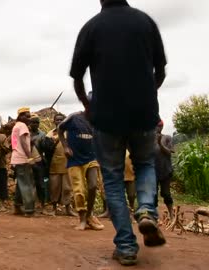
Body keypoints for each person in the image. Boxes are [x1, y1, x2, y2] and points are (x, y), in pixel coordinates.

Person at [70, 0, 167, 265]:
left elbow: (77, 78)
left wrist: (88, 106)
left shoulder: (91, 28)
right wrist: (147, 94)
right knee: (145, 164)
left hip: (106, 116)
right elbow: (160, 71)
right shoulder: (145, 22)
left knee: (112, 180)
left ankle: (126, 247)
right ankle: (146, 210)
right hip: (144, 113)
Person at [58, 111, 105, 231]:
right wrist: (65, 146)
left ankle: (90, 214)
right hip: (74, 159)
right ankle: (83, 218)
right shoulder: (73, 117)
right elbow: (60, 129)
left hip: (92, 157)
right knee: (79, 190)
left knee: (93, 186)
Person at [47, 113, 76, 217]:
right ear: (53, 121)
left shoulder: (70, 133)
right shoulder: (50, 134)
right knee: (54, 187)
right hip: (54, 164)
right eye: (57, 120)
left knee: (67, 187)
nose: (59, 121)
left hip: (68, 163)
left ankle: (68, 208)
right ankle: (54, 208)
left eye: (61, 120)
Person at [11, 107, 36, 217]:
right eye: (27, 115)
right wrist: (29, 156)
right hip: (22, 158)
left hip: (16, 158)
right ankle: (29, 210)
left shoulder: (16, 126)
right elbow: (23, 142)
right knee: (27, 183)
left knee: (21, 183)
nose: (29, 117)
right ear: (20, 116)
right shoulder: (23, 126)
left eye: (29, 115)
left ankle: (17, 206)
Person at [28, 114, 49, 213]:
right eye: (33, 122)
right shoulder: (26, 133)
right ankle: (30, 205)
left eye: (37, 122)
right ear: (29, 123)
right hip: (27, 162)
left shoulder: (42, 134)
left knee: (41, 184)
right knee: (29, 184)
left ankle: (42, 205)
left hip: (39, 162)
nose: (35, 124)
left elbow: (44, 149)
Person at [155, 120, 174, 221]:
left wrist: (160, 143)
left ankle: (171, 215)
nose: (157, 128)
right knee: (153, 194)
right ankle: (155, 216)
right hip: (153, 171)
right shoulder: (149, 139)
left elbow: (169, 153)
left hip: (165, 170)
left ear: (162, 127)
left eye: (159, 126)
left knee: (166, 193)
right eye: (155, 126)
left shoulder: (167, 138)